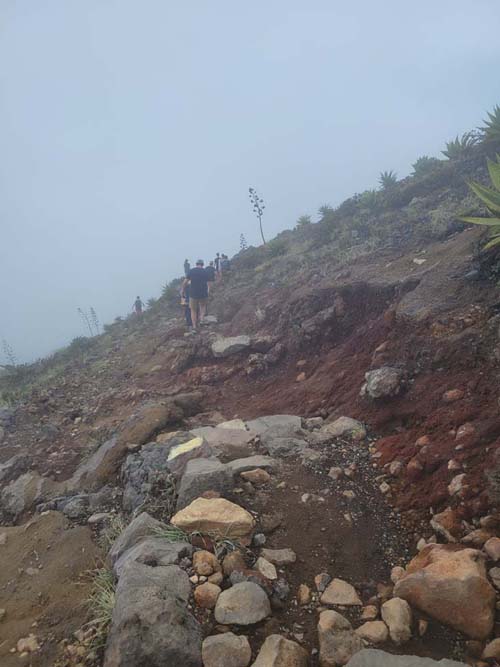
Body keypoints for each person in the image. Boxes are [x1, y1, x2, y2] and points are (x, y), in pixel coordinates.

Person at [183, 259, 209, 329]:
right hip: (203, 292)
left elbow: (185, 282)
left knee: (193, 310)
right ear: (202, 264)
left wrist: (182, 290)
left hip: (193, 293)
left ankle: (194, 326)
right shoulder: (205, 271)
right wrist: (208, 290)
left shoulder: (191, 271)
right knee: (202, 306)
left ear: (196, 264)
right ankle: (201, 320)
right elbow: (208, 283)